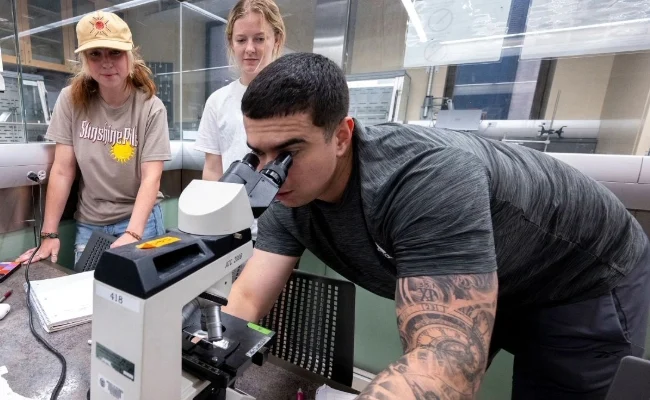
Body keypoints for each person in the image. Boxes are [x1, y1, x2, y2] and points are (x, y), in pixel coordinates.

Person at [222, 52, 650, 400]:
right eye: (258, 153)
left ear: (341, 136)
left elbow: (447, 359)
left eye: (289, 150)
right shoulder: (282, 187)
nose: (269, 169)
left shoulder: (426, 178)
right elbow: (247, 295)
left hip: (579, 275)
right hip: (498, 267)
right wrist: (202, 366)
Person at [16, 11, 171, 266]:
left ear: (130, 55)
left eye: (115, 52)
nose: (106, 63)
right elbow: (63, 171)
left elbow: (151, 177)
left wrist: (133, 233)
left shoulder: (151, 108)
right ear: (85, 60)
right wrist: (49, 234)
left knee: (138, 300)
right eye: (95, 54)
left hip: (139, 220)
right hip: (90, 224)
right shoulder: (71, 100)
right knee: (87, 298)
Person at [194, 0, 285, 242]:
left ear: (277, 39)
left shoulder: (293, 97)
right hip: (231, 229)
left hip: (281, 231)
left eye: (259, 38)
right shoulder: (218, 101)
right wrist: (213, 219)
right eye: (241, 40)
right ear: (231, 43)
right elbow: (213, 169)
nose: (250, 49)